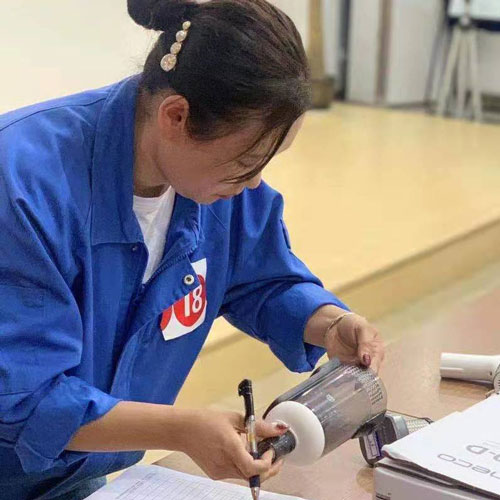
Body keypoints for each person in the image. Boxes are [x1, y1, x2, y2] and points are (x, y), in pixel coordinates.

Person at [0, 0, 385, 498]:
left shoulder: (215, 186)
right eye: (247, 161)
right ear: (176, 116)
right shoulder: (23, 186)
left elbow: (263, 278)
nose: (255, 182)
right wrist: (180, 429)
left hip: (76, 478)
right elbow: (23, 399)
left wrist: (328, 322)